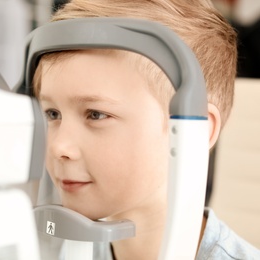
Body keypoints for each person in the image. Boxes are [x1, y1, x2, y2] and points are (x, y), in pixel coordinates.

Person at [31, 0, 260, 259]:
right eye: (53, 114)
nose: (58, 146)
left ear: (196, 132)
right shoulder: (70, 249)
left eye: (96, 114)